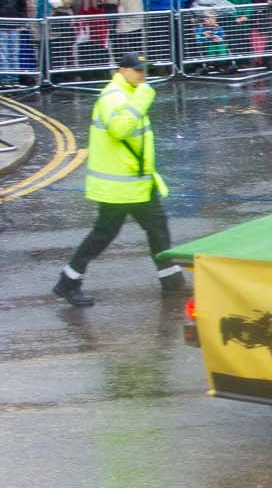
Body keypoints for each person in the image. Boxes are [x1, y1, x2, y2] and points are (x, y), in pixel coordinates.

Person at [54, 52, 184, 306]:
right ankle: (68, 282)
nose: (143, 76)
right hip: (120, 186)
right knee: (104, 235)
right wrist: (143, 98)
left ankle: (172, 283)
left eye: (144, 71)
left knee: (157, 229)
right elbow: (120, 129)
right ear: (123, 70)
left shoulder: (128, 92)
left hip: (136, 184)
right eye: (137, 71)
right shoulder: (114, 96)